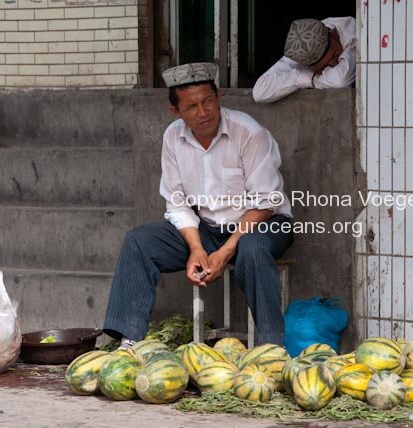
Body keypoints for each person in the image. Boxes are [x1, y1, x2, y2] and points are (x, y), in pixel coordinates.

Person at [102, 63, 293, 347]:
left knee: (252, 248)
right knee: (139, 241)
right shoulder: (172, 138)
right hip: (207, 227)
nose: (203, 113)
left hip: (264, 223)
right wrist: (197, 249)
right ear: (176, 112)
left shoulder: (249, 133)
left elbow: (265, 202)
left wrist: (225, 252)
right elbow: (177, 203)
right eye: (191, 107)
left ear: (219, 98)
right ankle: (128, 342)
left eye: (208, 101)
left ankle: (270, 350)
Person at [252, 17, 356, 103]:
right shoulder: (300, 48)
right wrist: (307, 77)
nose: (334, 64)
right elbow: (260, 92)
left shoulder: (354, 31)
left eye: (334, 55)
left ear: (333, 33)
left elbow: (340, 80)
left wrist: (314, 79)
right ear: (305, 66)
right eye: (324, 66)